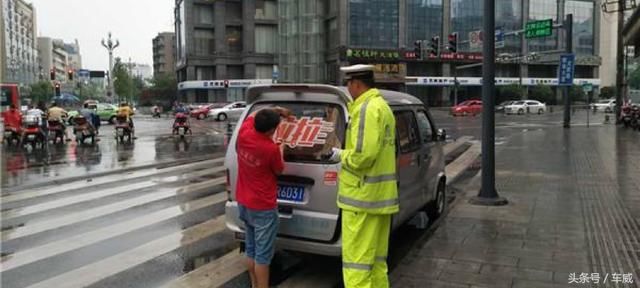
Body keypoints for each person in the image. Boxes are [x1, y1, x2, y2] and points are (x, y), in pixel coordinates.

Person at [328, 64, 398, 288]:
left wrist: (339, 154)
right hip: (378, 199)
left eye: (348, 84)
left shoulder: (366, 109)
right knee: (376, 263)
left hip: (361, 199)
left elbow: (362, 156)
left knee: (356, 266)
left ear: (356, 83)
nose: (348, 89)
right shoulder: (383, 107)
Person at [236, 106, 291, 288]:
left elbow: (251, 115)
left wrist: (275, 110)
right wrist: (281, 147)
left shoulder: (244, 132)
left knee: (251, 250)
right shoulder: (270, 149)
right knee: (263, 257)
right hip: (263, 208)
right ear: (272, 130)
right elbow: (279, 169)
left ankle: (254, 285)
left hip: (244, 202)